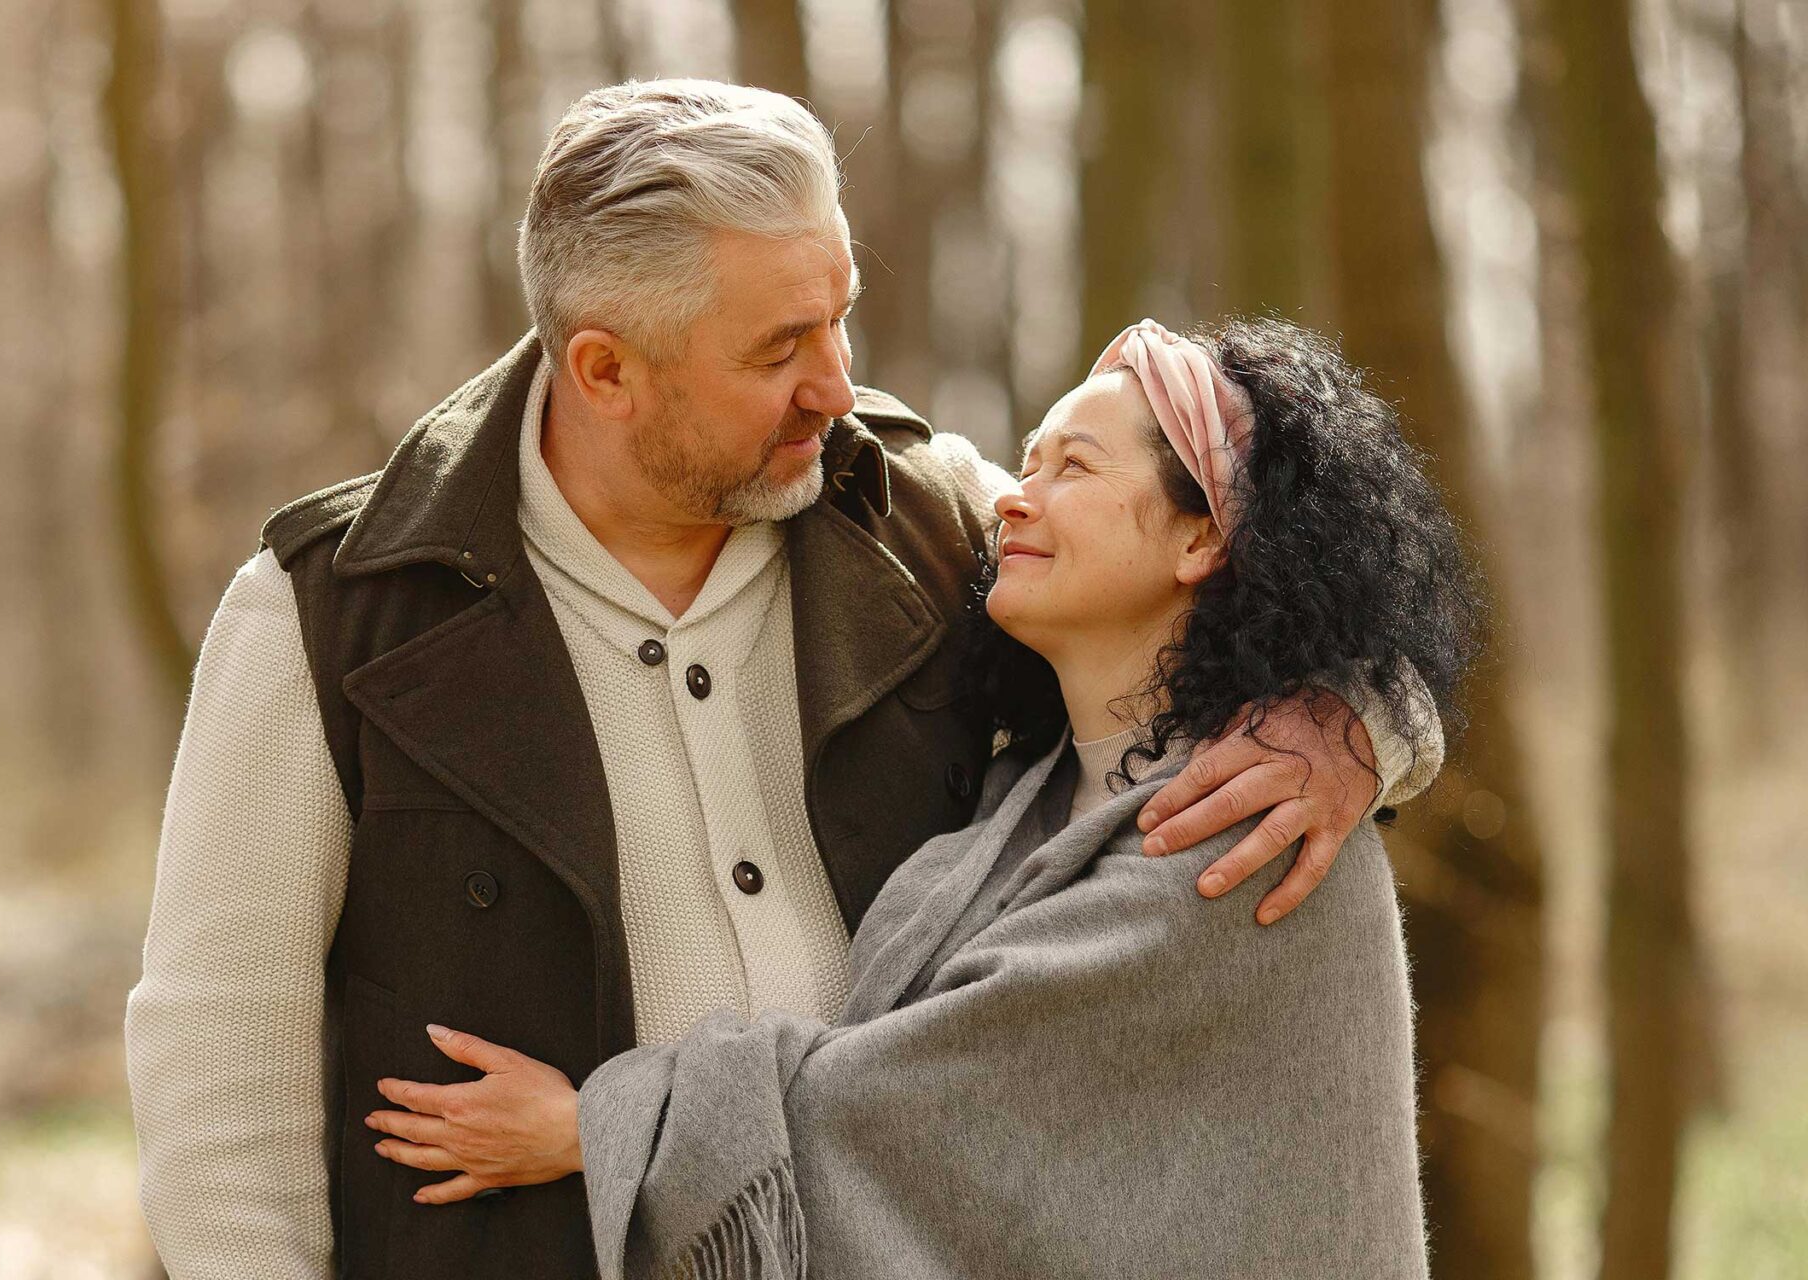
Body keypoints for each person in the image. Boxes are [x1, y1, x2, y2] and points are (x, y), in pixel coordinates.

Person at [124, 81, 1439, 1279]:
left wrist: (1359, 724)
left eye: (839, 316)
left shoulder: (924, 521)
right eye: (777, 350)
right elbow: (221, 1091)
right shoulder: (328, 614)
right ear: (607, 371)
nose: (838, 384)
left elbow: (1241, 581)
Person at [366, 316, 1470, 1278]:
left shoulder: (1252, 829)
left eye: (1072, 469)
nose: (1014, 503)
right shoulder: (1024, 795)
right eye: (1023, 464)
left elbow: (911, 1100)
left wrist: (588, 1128)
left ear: (1201, 536)